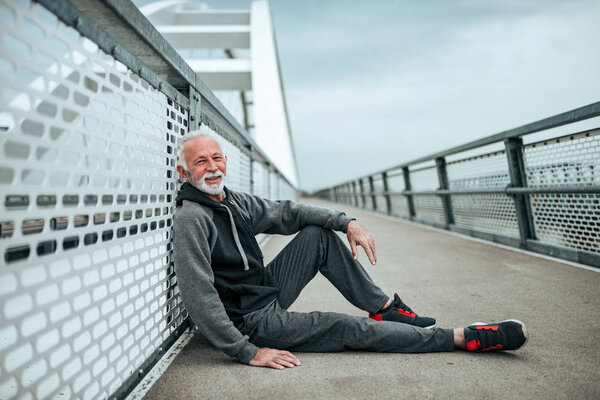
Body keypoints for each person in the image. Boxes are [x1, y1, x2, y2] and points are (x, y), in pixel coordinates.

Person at [173, 130, 528, 370]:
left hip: (263, 291)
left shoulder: (233, 201)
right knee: (344, 328)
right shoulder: (193, 218)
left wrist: (347, 222)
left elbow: (288, 213)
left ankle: (384, 308)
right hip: (251, 321)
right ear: (184, 172)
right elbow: (198, 294)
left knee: (319, 234)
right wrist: (246, 350)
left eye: (216, 158)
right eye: (200, 162)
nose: (212, 167)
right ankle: (462, 337)